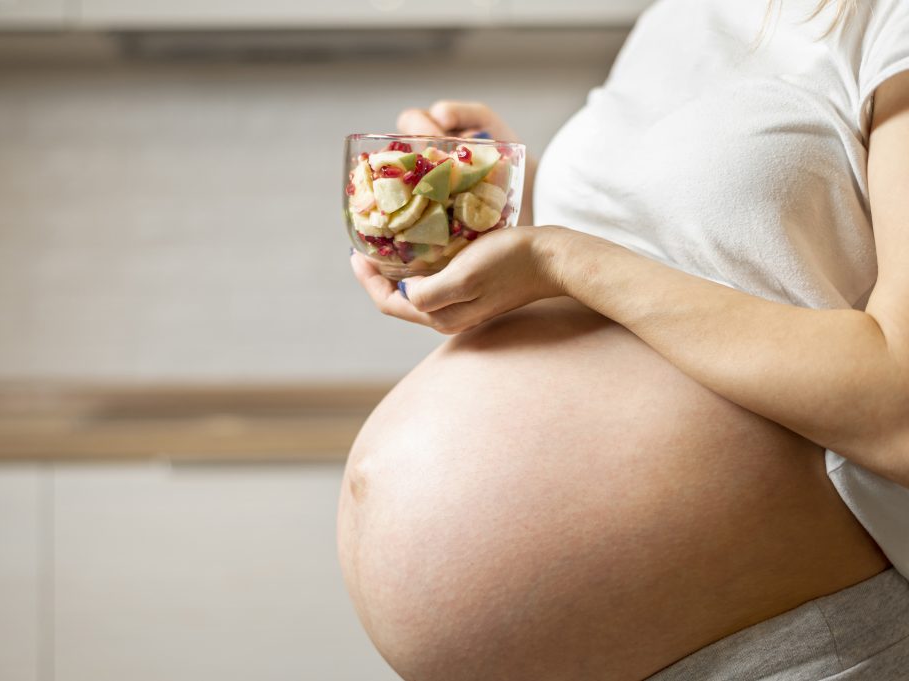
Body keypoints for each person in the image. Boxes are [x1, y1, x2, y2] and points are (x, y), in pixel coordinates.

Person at [337, 0, 909, 679]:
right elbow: (697, 257)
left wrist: (560, 258)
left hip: (773, 639)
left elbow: (898, 409)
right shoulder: (678, 14)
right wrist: (496, 198)